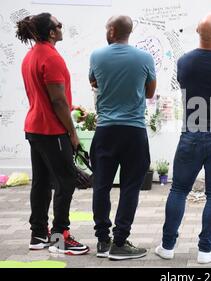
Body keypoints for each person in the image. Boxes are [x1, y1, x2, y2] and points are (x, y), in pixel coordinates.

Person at [155, 13, 211, 264]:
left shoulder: (184, 62)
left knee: (179, 190)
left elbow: (186, 86)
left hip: (191, 135)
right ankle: (206, 251)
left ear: (197, 30)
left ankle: (167, 246)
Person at [15, 13, 89, 255]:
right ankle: (60, 238)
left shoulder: (31, 56)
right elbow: (57, 101)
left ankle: (38, 235)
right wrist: (73, 133)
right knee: (66, 182)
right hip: (52, 131)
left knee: (41, 182)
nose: (61, 27)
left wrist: (70, 106)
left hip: (35, 128)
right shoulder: (51, 57)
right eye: (58, 25)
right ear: (51, 32)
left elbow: (49, 97)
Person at [89, 15, 156, 261]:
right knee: (130, 187)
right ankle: (120, 242)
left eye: (107, 27)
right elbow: (150, 92)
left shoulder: (96, 56)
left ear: (113, 30)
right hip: (134, 132)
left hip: (105, 130)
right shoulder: (145, 58)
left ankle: (102, 241)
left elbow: (93, 81)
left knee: (102, 185)